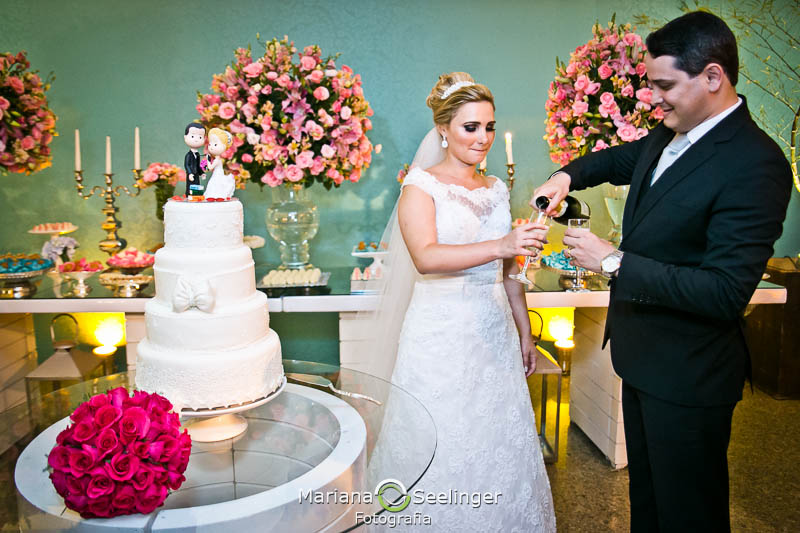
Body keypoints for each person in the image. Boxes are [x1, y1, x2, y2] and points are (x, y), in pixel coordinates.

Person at [533, 11, 792, 532]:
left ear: (713, 77)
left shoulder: (755, 163)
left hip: (691, 372)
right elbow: (618, 159)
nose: (654, 98)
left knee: (688, 513)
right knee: (648, 502)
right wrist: (567, 174)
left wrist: (611, 260)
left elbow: (724, 291)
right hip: (641, 359)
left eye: (665, 85)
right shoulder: (670, 132)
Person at [365, 72, 556, 531]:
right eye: (471, 127)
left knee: (497, 437)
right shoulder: (420, 187)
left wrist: (524, 332)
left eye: (489, 126)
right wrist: (503, 244)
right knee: (442, 438)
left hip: (493, 334)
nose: (483, 138)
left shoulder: (496, 189)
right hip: (439, 333)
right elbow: (426, 257)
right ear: (443, 131)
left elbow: (509, 270)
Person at [204, 127, 236, 200]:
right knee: (215, 185)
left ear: (224, 146)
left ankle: (215, 196)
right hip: (218, 173)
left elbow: (210, 167)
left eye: (215, 145)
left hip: (217, 175)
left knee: (213, 185)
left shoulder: (217, 160)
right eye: (210, 144)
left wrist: (208, 160)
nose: (211, 147)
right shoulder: (218, 159)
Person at [183, 122, 207, 198]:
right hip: (191, 175)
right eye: (193, 136)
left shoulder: (197, 154)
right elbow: (187, 165)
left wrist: (201, 173)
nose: (196, 140)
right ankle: (189, 197)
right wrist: (190, 173)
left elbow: (198, 165)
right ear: (185, 137)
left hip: (196, 174)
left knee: (197, 186)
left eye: (200, 137)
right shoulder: (188, 155)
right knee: (190, 187)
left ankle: (196, 197)